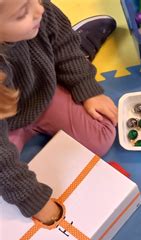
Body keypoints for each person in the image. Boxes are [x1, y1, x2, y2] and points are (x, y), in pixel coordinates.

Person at [0, 0, 117, 225]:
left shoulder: (39, 11)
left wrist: (86, 87)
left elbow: (63, 41)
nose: (39, 9)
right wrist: (32, 199)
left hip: (40, 92)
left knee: (101, 135)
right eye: (23, 12)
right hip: (7, 123)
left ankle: (79, 51)